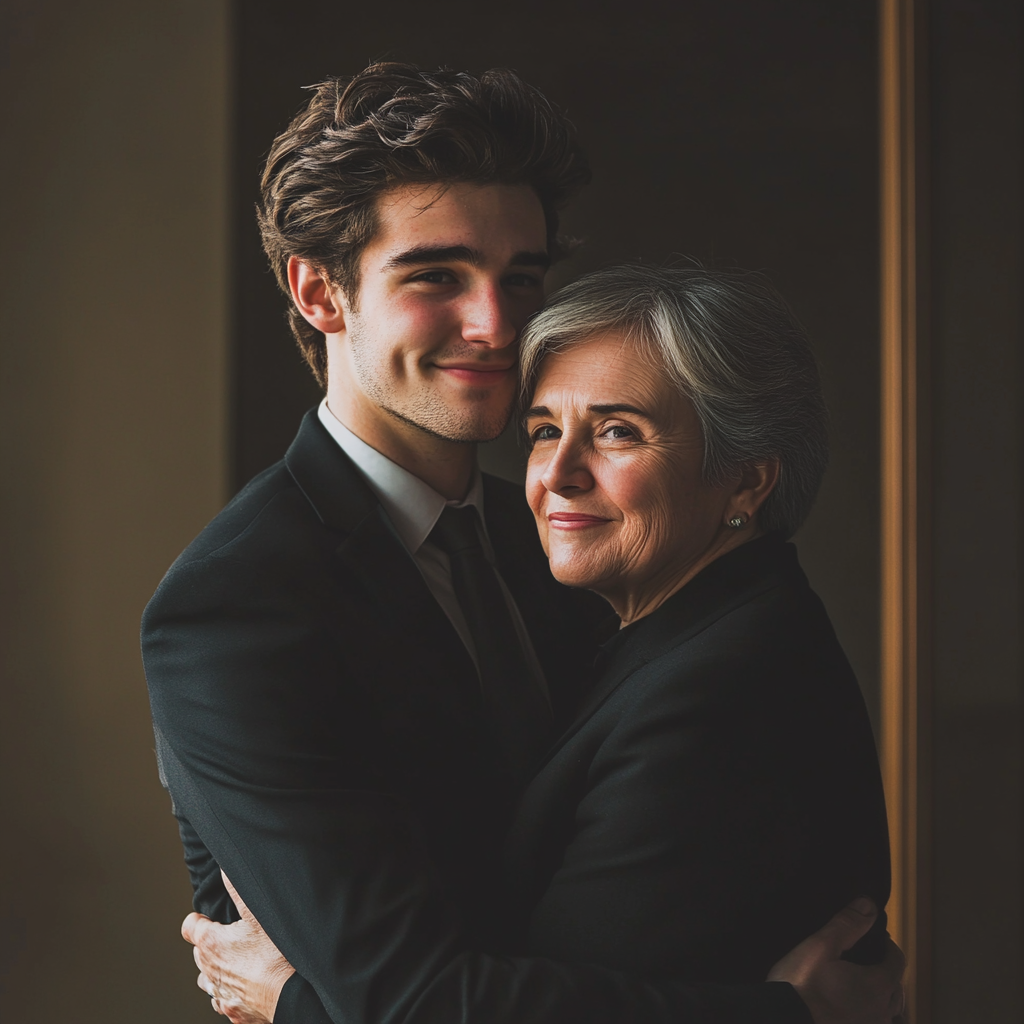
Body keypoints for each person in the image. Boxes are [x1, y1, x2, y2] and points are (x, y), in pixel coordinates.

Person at [144, 64, 902, 1024]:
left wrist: (294, 998)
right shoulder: (235, 608)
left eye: (522, 277)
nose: (498, 324)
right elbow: (405, 994)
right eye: (436, 276)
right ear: (320, 293)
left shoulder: (558, 541)